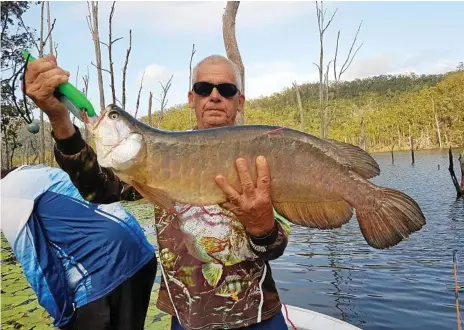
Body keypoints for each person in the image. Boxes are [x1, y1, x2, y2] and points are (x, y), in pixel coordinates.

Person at [24, 53, 291, 329]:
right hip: (186, 319)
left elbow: (275, 248)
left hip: (258, 315)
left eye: (226, 89)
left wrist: (262, 229)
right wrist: (59, 119)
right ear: (191, 98)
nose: (214, 96)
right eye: (203, 89)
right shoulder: (157, 158)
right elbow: (98, 189)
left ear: (240, 101)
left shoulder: (261, 156)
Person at [0, 164, 157, 330]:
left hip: (102, 272)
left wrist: (64, 319)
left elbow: (38, 266)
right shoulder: (38, 172)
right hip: (140, 253)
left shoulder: (6, 196)